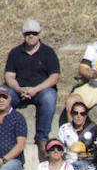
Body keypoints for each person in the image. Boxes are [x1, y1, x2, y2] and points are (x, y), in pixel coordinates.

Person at [3, 19, 60, 159]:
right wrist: (19, 89)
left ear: (39, 35)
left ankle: (42, 138)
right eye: (27, 33)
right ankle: (4, 133)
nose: (31, 36)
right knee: (3, 96)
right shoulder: (15, 53)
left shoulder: (48, 52)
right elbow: (9, 76)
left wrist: (35, 90)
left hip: (41, 91)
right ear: (23, 35)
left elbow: (54, 77)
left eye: (34, 33)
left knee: (49, 97)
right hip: (19, 91)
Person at [58, 100, 97, 170]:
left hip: (87, 162)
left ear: (85, 116)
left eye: (82, 114)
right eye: (76, 113)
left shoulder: (93, 128)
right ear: (71, 114)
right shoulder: (64, 129)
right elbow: (60, 149)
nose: (79, 116)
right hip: (69, 162)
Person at [0, 84, 27, 170]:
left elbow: (21, 146)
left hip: (13, 162)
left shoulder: (18, 118)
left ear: (10, 99)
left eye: (4, 97)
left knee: (5, 169)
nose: (1, 100)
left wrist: (3, 160)